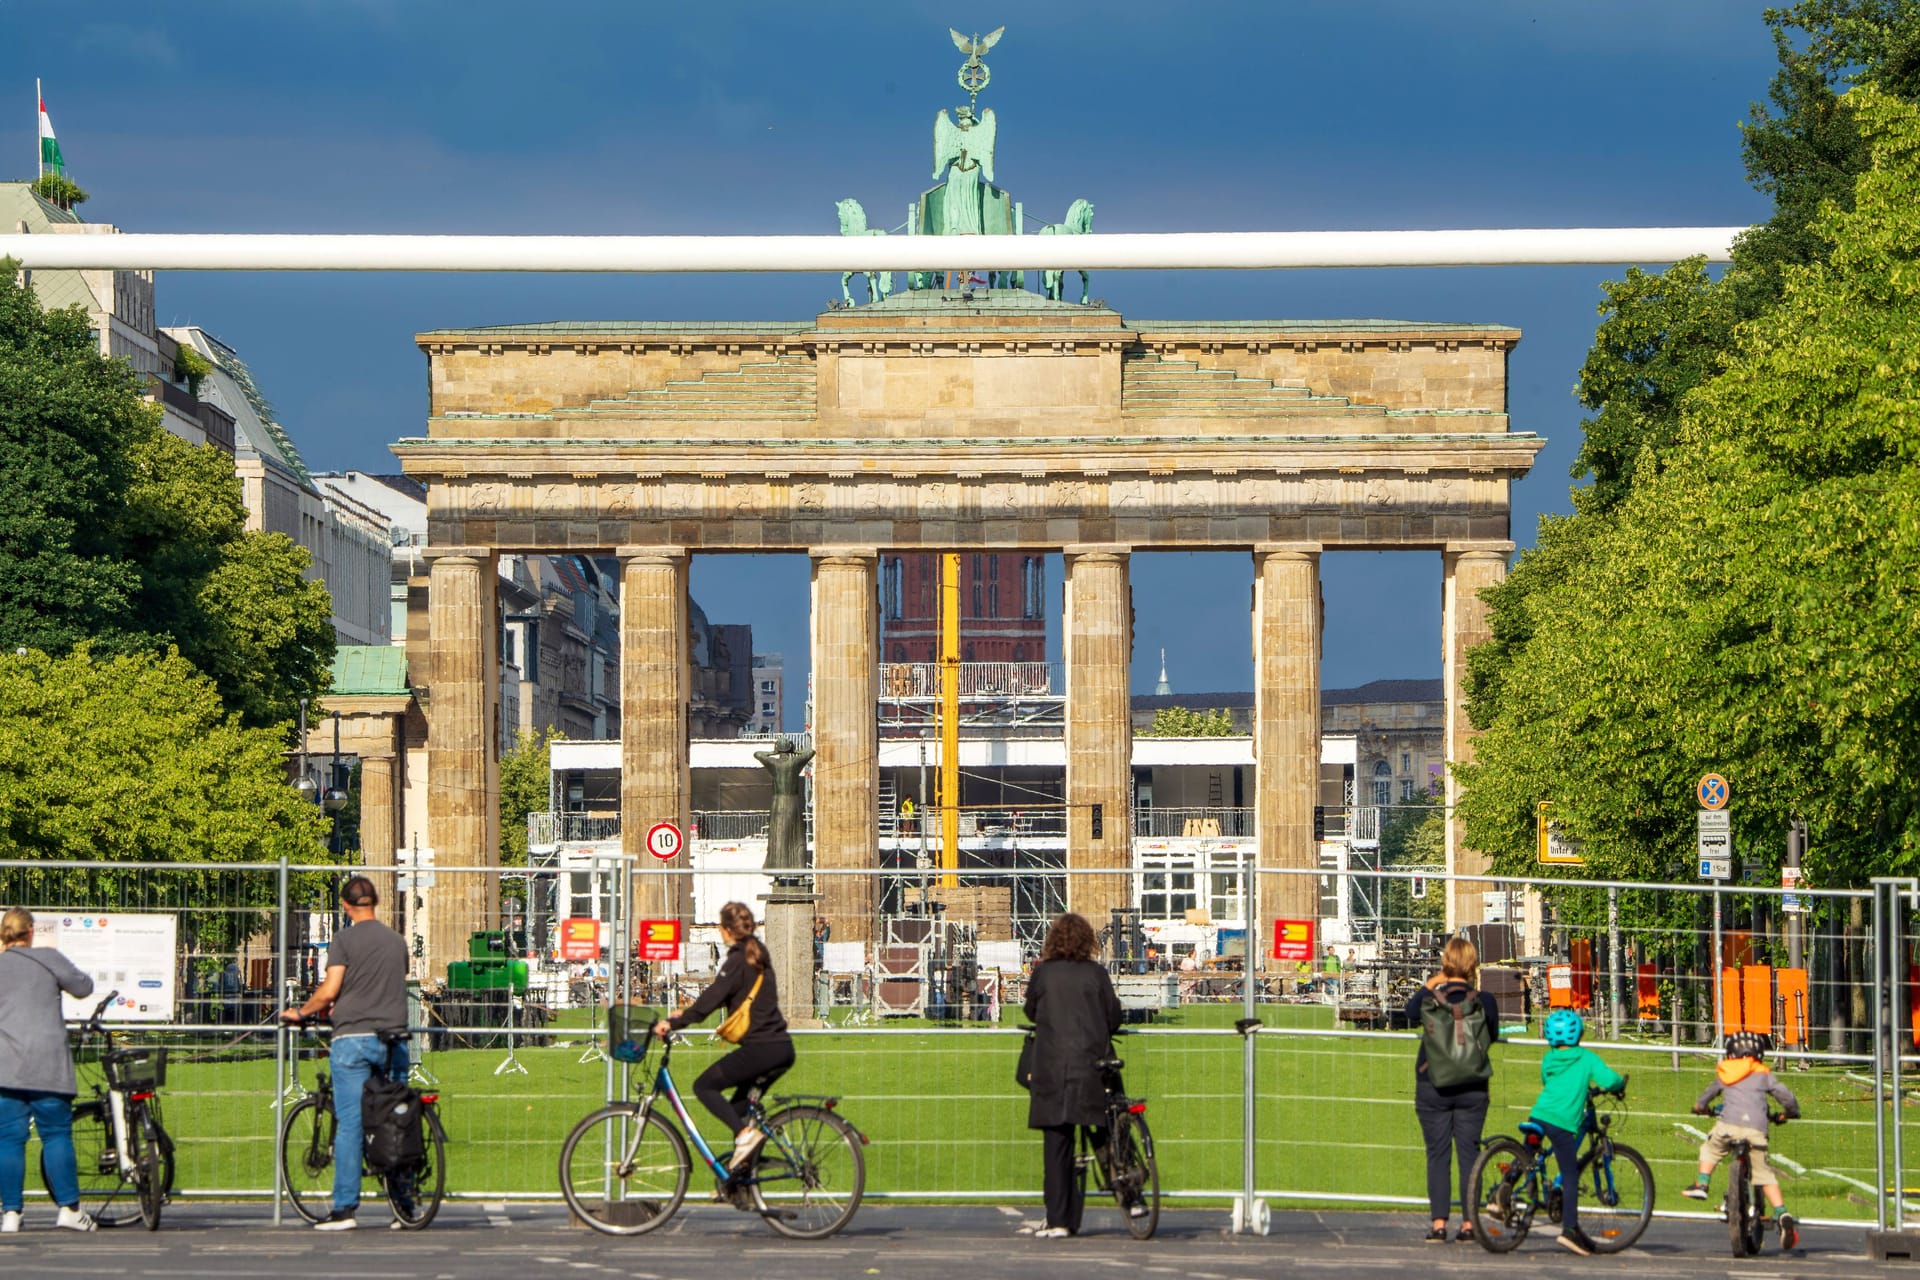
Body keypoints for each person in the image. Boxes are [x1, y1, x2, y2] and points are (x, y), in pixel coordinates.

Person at [281, 876, 411, 1231]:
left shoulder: (344, 940)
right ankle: (406, 1206)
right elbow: (397, 977)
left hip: (353, 1037)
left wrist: (301, 1012)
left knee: (351, 1123)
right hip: (394, 1038)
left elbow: (331, 989)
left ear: (346, 905)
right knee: (395, 1119)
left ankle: (344, 1210)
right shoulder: (396, 941)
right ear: (376, 902)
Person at [653, 902, 793, 1172]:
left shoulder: (739, 960)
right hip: (780, 1047)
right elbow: (722, 997)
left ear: (726, 930)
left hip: (761, 1049)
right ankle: (739, 1182)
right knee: (738, 1111)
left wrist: (674, 1022)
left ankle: (745, 1137)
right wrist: (687, 1013)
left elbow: (712, 999)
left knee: (704, 1087)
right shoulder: (757, 953)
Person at [1021, 912, 1125, 1238]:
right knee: (1106, 1129)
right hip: (1091, 1066)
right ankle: (1131, 1196)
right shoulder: (1096, 974)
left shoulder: (1044, 973)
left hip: (1052, 1067)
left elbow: (1030, 1011)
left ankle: (1059, 1219)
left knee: (1057, 1144)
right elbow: (1114, 1016)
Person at [0, 908, 98, 1234]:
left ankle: (11, 1213)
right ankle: (69, 1209)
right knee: (56, 1135)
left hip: (6, 1066)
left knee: (9, 1140)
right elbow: (83, 987)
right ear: (30, 932)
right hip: (48, 1063)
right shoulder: (48, 958)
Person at [1408, 936, 1501, 1242]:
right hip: (1472, 1086)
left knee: (1437, 1154)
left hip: (1432, 1084)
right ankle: (1470, 1223)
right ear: (1473, 964)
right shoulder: (1483, 1000)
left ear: (1446, 963)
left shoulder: (1432, 998)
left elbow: (1408, 1013)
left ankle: (1438, 1223)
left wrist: (1432, 983)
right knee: (1469, 1154)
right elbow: (1493, 1033)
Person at [1685, 1032, 1801, 1249]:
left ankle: (1702, 1183)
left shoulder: (1725, 1071)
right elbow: (1785, 1095)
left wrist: (1700, 1107)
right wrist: (1790, 1112)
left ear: (1730, 1053)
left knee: (1711, 1148)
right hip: (1755, 1129)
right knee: (1764, 1174)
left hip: (1727, 1126)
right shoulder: (1763, 1073)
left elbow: (1708, 1094)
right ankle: (1782, 1213)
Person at [1530, 1010, 1626, 1256]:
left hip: (1539, 1114)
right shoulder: (1586, 1058)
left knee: (1528, 1157)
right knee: (1570, 1175)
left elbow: (1545, 1080)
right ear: (1579, 1034)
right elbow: (1609, 1079)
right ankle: (1570, 1230)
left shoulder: (1549, 1058)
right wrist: (1619, 1084)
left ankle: (1507, 1189)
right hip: (1562, 1122)